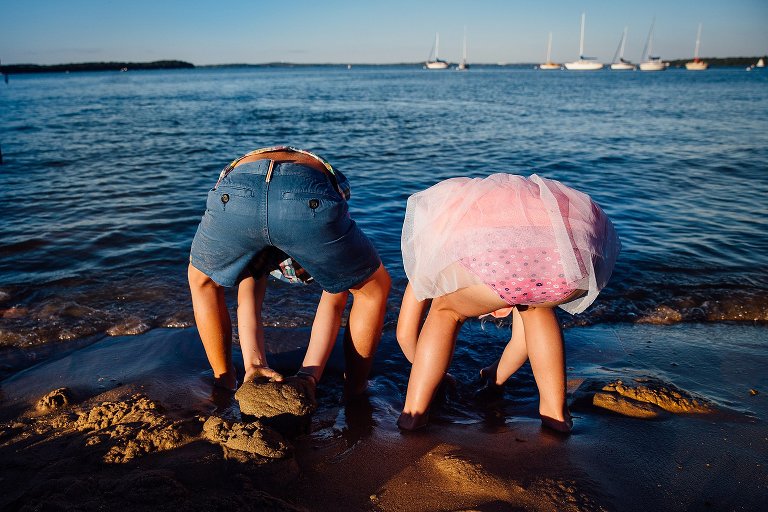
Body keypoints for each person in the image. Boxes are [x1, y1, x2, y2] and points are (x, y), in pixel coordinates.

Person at [396, 173, 620, 432]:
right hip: (566, 259)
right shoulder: (505, 227)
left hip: (504, 263)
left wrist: (435, 374)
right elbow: (522, 341)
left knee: (445, 311)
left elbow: (404, 333)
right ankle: (556, 415)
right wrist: (496, 375)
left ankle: (413, 415)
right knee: (536, 308)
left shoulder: (434, 245)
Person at [188, 146, 390, 396]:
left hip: (237, 193)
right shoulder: (314, 244)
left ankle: (226, 380)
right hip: (307, 195)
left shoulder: (256, 259)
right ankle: (356, 387)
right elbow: (334, 301)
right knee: (371, 289)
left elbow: (248, 301)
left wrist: (255, 365)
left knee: (202, 281)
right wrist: (309, 376)